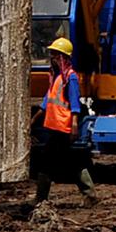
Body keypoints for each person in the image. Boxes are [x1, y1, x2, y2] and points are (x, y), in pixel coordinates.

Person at [31, 37, 97, 206]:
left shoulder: (70, 77)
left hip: (64, 127)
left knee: (46, 161)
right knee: (70, 161)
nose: (52, 58)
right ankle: (89, 194)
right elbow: (47, 102)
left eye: (55, 55)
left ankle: (40, 198)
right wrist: (32, 121)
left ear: (63, 57)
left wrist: (74, 125)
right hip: (54, 126)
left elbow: (75, 103)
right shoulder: (56, 78)